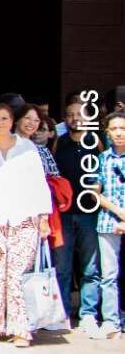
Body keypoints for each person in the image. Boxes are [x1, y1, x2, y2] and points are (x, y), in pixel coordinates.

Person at [0, 102, 48, 347]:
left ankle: (21, 330)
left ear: (12, 121)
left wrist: (44, 217)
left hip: (24, 219)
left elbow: (39, 184)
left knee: (16, 275)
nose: (0, 123)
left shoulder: (27, 148)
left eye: (4, 118)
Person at [56, 100, 107, 335]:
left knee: (90, 268)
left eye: (79, 114)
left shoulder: (95, 142)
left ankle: (88, 315)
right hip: (65, 214)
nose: (74, 118)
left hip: (89, 214)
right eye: (70, 114)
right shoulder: (60, 142)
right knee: (63, 267)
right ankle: (62, 313)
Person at [89, 112, 125, 339]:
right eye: (114, 129)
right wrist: (120, 214)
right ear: (107, 132)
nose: (119, 133)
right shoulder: (102, 158)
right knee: (108, 275)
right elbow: (94, 193)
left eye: (123, 128)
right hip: (108, 222)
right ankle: (111, 321)